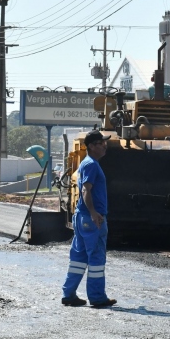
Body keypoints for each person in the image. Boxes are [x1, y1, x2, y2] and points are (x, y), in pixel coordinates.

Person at [61, 130, 117, 308]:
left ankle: (68, 294)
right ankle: (97, 297)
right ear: (92, 146)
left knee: (79, 257)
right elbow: (86, 190)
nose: (105, 146)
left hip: (81, 217)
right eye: (101, 143)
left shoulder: (87, 163)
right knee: (96, 258)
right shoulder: (92, 164)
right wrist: (93, 212)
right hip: (92, 218)